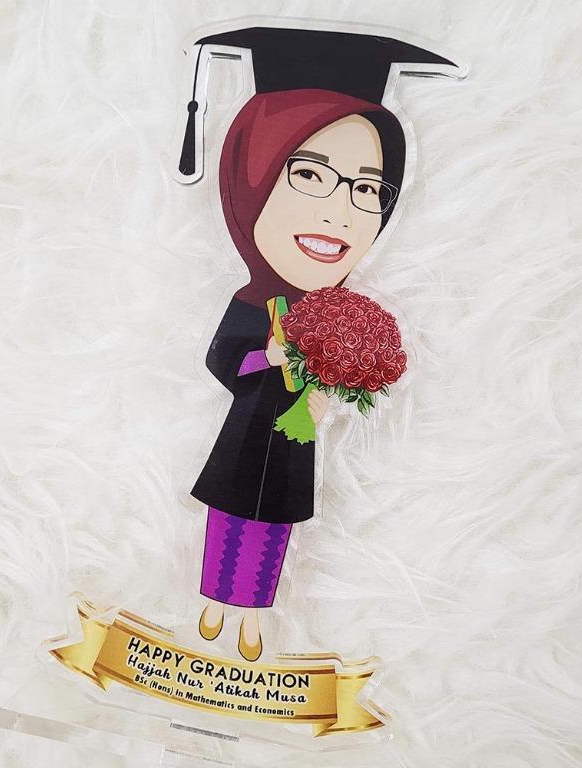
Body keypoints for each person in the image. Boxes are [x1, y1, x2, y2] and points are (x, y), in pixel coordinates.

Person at [176, 26, 464, 661]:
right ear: (251, 176)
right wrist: (269, 358)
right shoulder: (250, 302)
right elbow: (221, 359)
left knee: (274, 529)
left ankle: (253, 615)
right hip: (243, 436)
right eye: (309, 174)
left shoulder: (333, 313)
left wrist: (334, 389)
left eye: (366, 188)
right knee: (228, 519)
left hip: (295, 445)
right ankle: (213, 601)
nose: (339, 213)